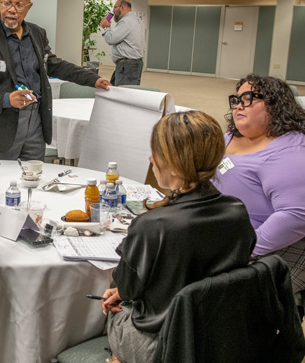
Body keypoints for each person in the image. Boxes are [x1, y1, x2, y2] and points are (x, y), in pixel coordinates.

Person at [101, 111, 256, 363]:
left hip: (162, 344)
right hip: (218, 334)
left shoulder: (151, 225)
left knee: (112, 299)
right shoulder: (238, 210)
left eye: (156, 153)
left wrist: (121, 290)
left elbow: (128, 289)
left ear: (173, 163)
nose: (150, 158)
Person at [0, 0, 110, 161]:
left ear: (28, 7)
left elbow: (54, 65)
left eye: (19, 5)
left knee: (33, 177)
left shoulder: (37, 33)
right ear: (0, 1)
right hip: (1, 127)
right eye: (7, 3)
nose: (11, 10)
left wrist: (92, 79)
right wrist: (6, 99)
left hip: (35, 123)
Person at [214, 74, 305, 294]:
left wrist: (242, 250)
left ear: (275, 104)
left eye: (247, 98)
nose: (238, 106)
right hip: (227, 237)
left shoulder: (290, 152)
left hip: (269, 250)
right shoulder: (232, 136)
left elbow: (295, 216)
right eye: (236, 100)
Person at [99, 0, 145, 86]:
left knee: (123, 93)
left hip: (127, 66)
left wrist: (106, 27)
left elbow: (111, 39)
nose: (113, 10)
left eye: (115, 7)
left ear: (122, 7)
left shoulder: (126, 21)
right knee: (115, 89)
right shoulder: (136, 19)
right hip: (131, 64)